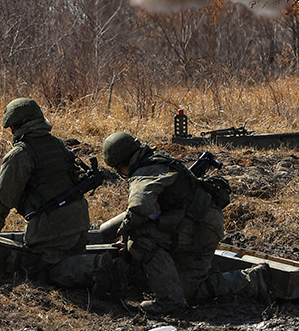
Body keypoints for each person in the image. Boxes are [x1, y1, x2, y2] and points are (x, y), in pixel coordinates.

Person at [101, 131, 269, 315]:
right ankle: (253, 280)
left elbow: (140, 208)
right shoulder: (158, 159)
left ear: (122, 163)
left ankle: (169, 302)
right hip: (207, 225)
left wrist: (125, 233)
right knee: (191, 291)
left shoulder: (144, 173)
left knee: (140, 239)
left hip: (195, 227)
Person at [0, 98, 108, 287]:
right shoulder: (56, 144)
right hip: (79, 217)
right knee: (69, 259)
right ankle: (90, 270)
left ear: (17, 127)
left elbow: (2, 202)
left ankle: (98, 266)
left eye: (11, 128)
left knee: (40, 272)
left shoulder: (20, 154)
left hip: (52, 224)